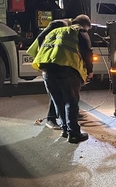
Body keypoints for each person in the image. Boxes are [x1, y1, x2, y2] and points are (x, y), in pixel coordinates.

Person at [27, 14, 94, 143]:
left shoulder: (56, 30)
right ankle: (74, 134)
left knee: (59, 101)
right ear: (85, 26)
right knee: (71, 102)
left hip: (47, 69)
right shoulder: (78, 30)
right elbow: (87, 52)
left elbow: (41, 39)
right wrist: (90, 72)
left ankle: (65, 130)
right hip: (66, 69)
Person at [30, 17, 72, 130]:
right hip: (48, 65)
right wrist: (42, 55)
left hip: (50, 65)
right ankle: (51, 119)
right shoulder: (60, 26)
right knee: (56, 95)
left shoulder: (61, 28)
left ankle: (57, 119)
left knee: (56, 95)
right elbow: (41, 38)